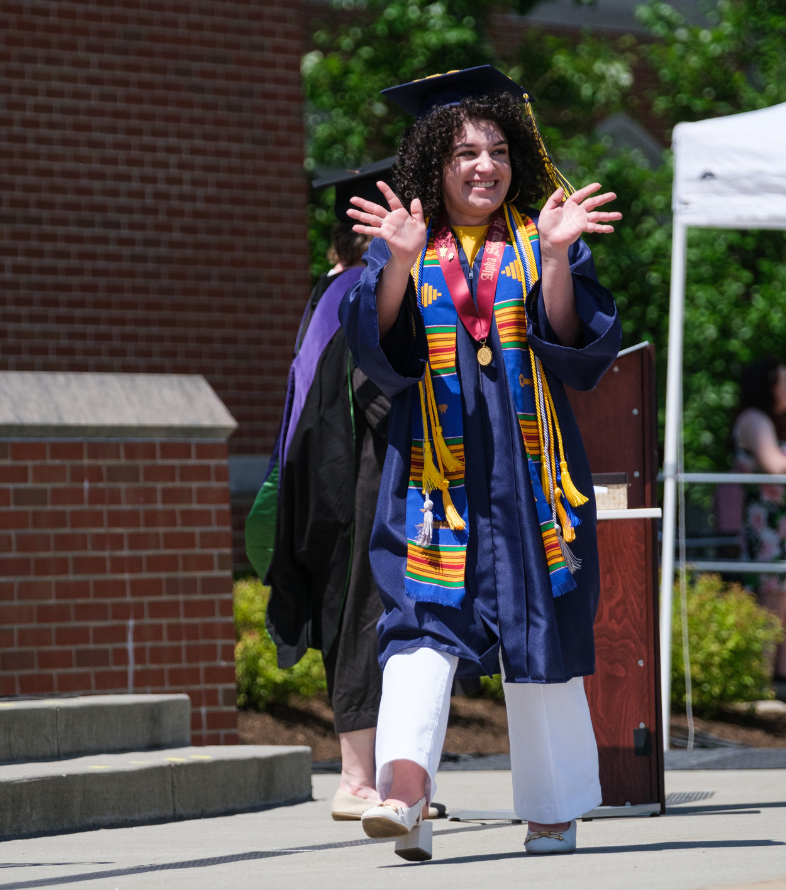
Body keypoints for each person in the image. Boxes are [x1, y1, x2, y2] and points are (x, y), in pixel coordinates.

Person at [339, 65, 622, 860]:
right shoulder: (408, 243)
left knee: (542, 628)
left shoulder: (539, 238)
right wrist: (394, 268)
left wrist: (562, 261)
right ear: (436, 160)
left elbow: (573, 349)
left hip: (531, 477)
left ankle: (553, 807)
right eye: (464, 152)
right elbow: (381, 355)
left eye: (498, 150)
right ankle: (405, 797)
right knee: (421, 622)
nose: (484, 166)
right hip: (435, 473)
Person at [246, 160, 395, 820]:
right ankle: (364, 778)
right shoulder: (374, 290)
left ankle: (368, 773)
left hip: (313, 479)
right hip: (361, 470)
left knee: (347, 611)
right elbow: (380, 398)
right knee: (371, 610)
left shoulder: (324, 292)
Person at [732, 357, 786, 678]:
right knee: (772, 602)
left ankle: (778, 679)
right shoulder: (754, 420)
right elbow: (775, 466)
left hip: (777, 525)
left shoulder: (771, 421)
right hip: (766, 526)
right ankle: (763, 679)